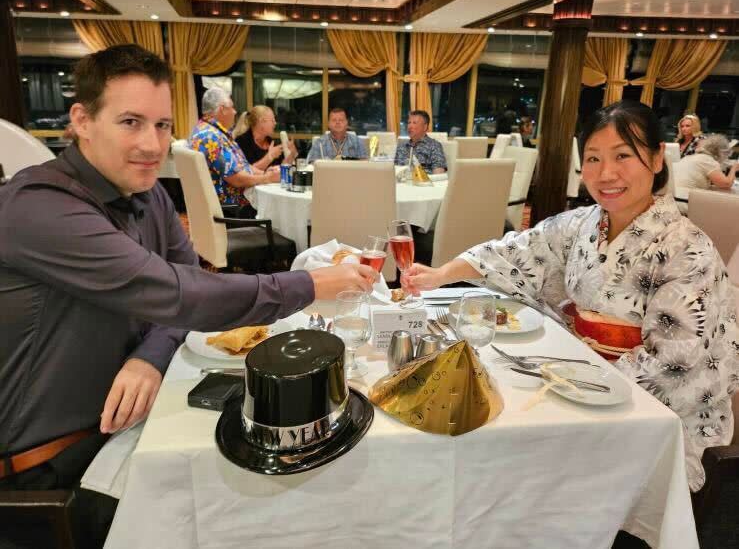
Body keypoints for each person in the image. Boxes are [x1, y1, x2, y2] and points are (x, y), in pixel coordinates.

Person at [0, 44, 377, 549]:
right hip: (52, 470)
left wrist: (150, 356)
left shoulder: (147, 193)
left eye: (161, 125)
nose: (152, 144)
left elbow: (182, 291)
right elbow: (182, 294)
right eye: (130, 122)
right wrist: (311, 284)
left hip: (128, 428)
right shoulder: (40, 207)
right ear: (81, 121)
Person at [402, 100, 738, 497]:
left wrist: (574, 385)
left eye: (623, 156)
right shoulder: (582, 223)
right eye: (593, 158)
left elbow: (674, 361)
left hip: (654, 407)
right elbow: (517, 249)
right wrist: (440, 274)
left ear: (656, 158)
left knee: (518, 455)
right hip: (583, 374)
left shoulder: (687, 248)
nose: (606, 173)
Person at [188, 88, 277, 219]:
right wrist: (267, 178)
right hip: (234, 210)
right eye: (232, 107)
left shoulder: (207, 130)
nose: (235, 112)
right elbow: (237, 179)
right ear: (222, 109)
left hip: (233, 206)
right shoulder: (210, 137)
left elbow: (241, 166)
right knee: (282, 215)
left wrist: (267, 173)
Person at [235, 105, 297, 170]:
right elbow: (246, 172)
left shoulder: (270, 142)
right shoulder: (242, 142)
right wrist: (269, 157)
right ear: (261, 122)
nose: (275, 123)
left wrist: (292, 154)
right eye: (272, 120)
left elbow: (281, 169)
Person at [674, 134, 738, 191]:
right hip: (684, 199)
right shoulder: (708, 160)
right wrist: (734, 167)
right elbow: (726, 184)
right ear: (721, 152)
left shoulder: (689, 157)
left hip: (673, 196)